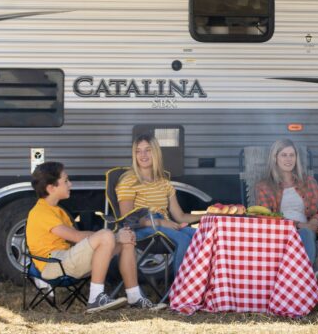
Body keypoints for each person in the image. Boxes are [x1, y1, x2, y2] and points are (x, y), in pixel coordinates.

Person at [26, 161, 166, 313]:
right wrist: (114, 236)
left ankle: (134, 296)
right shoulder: (41, 212)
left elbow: (79, 242)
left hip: (66, 260)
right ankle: (95, 298)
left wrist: (118, 238)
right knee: (107, 235)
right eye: (65, 181)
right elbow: (77, 237)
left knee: (127, 239)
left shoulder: (57, 210)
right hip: (54, 265)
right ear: (51, 188)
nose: (70, 184)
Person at [117, 134, 202, 276]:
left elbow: (180, 216)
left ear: (155, 152)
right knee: (183, 239)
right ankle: (179, 290)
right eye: (138, 151)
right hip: (141, 229)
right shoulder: (128, 181)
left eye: (147, 150)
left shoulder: (164, 183)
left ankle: (196, 285)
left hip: (162, 226)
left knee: (201, 236)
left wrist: (208, 215)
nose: (142, 155)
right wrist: (160, 222)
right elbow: (128, 220)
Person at [254, 139, 318, 282]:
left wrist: (314, 220)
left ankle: (301, 279)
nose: (288, 159)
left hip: (306, 230)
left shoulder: (309, 182)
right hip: (278, 233)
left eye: (292, 155)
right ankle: (309, 276)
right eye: (284, 155)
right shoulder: (264, 186)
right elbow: (265, 217)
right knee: (304, 233)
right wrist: (298, 225)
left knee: (306, 234)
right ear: (275, 158)